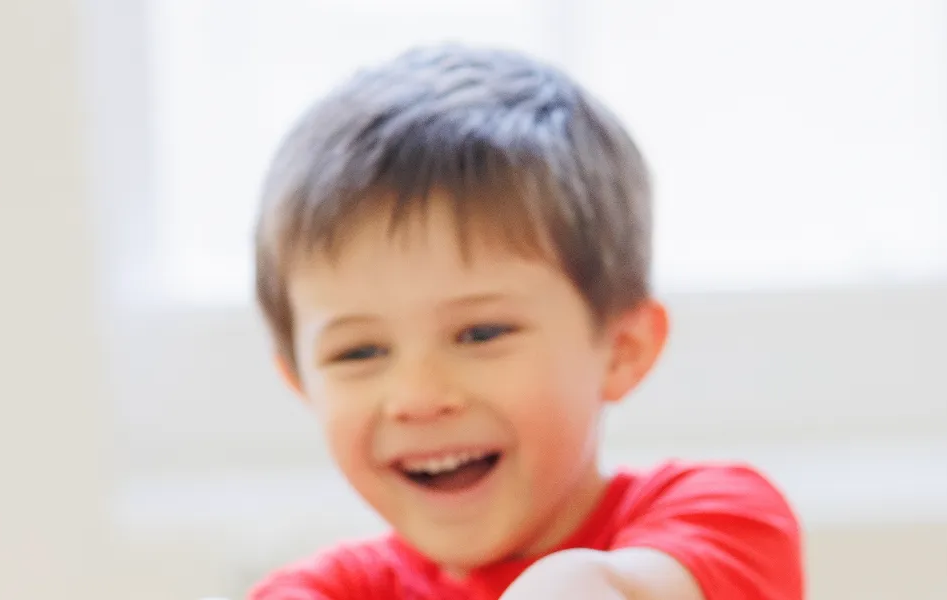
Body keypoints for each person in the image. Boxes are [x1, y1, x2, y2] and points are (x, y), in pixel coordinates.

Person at [245, 45, 801, 600]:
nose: (417, 397)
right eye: (358, 352)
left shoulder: (722, 520)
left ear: (622, 349)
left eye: (481, 334)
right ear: (301, 385)